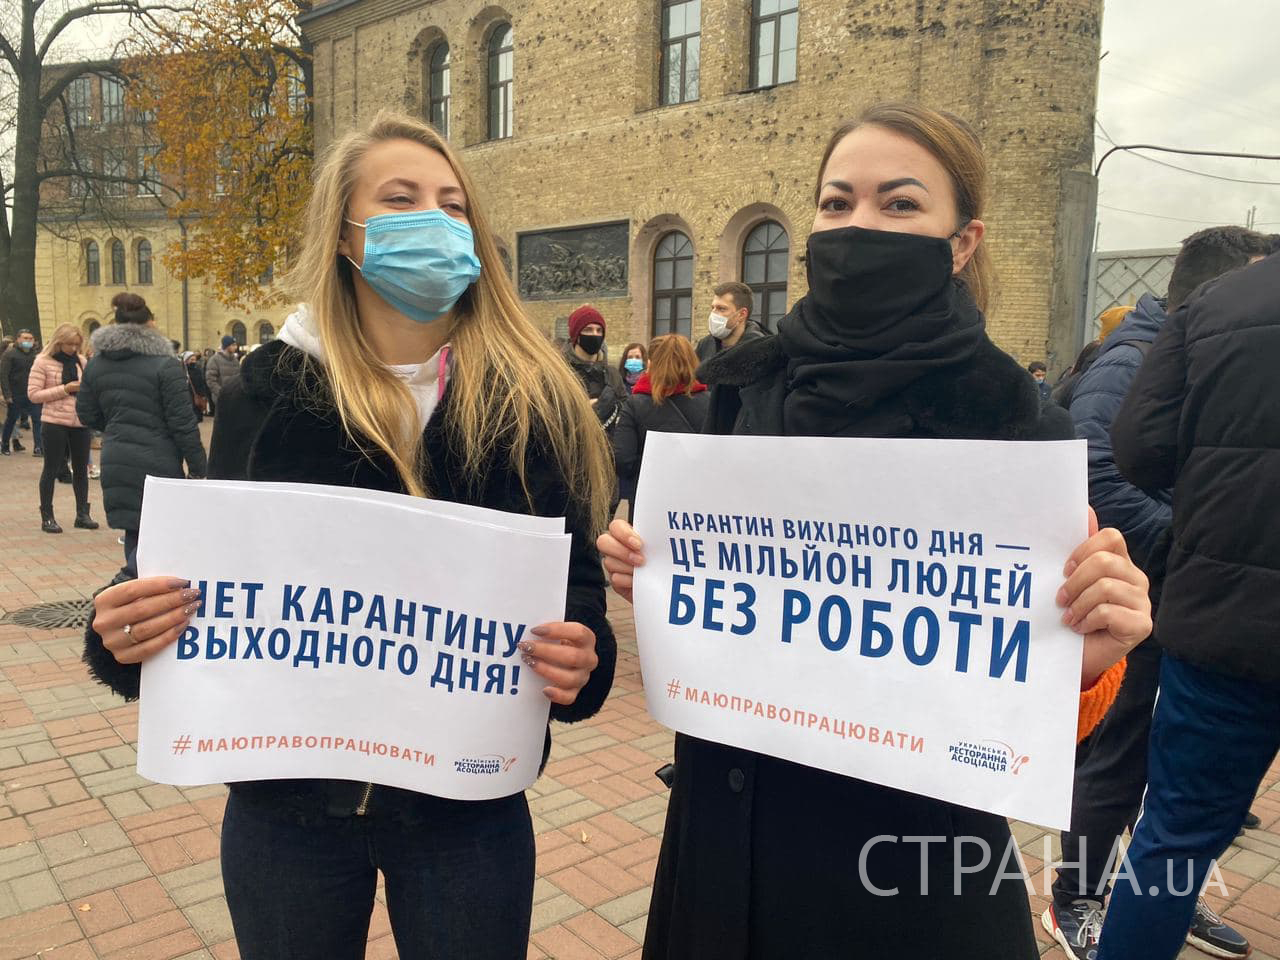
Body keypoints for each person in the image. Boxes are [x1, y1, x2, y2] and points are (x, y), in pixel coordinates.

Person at [596, 102, 1153, 960]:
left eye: (899, 203)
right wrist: (660, 573)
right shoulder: (747, 383)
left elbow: (1025, 698)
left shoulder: (1014, 420)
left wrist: (1084, 658)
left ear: (961, 242)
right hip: (729, 828)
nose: (859, 224)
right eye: (837, 201)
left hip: (901, 868)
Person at [82, 110, 617, 960]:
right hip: (288, 811)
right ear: (344, 232)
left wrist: (581, 654)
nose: (435, 221)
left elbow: (574, 586)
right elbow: (201, 564)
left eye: (453, 206)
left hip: (464, 810)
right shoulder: (267, 389)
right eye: (401, 200)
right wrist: (123, 624)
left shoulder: (528, 401)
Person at [1045, 225, 1271, 960]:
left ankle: (1163, 898)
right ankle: (1077, 899)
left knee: (1161, 786)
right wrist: (1188, 544)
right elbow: (1097, 469)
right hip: (1151, 592)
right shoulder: (1131, 359)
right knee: (1119, 763)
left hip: (1179, 596)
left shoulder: (1193, 339)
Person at [76, 293, 208, 578]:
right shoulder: (165, 364)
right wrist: (199, 467)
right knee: (163, 533)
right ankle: (129, 584)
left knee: (134, 531)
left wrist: (115, 427)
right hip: (159, 459)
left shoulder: (97, 364)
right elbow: (182, 423)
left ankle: (133, 590)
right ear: (150, 323)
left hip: (117, 456)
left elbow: (86, 412)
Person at [612, 335, 710, 523]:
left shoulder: (635, 404)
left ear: (654, 364)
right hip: (697, 505)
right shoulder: (710, 402)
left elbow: (623, 460)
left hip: (648, 503)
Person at [27, 324, 99, 533]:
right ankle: (47, 516)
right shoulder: (42, 362)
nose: (73, 348)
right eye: (69, 344)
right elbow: (34, 394)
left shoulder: (81, 361)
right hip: (54, 422)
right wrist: (65, 389)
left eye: (77, 344)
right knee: (51, 469)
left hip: (80, 422)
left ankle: (82, 514)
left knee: (81, 469)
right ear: (59, 342)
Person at [562, 304, 626, 432]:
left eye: (599, 330)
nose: (595, 334)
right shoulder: (561, 372)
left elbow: (625, 406)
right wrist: (582, 412)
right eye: (588, 330)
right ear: (576, 335)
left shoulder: (612, 374)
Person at [694, 281, 767, 363]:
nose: (713, 314)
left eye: (722, 309)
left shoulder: (760, 349)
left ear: (742, 314)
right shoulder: (705, 346)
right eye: (713, 308)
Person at [2, 329, 43, 456]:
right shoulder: (10, 354)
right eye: (25, 338)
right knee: (11, 420)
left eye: (30, 338)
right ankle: (4, 445)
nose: (28, 341)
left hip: (32, 393)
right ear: (18, 339)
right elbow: (3, 375)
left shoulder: (35, 354)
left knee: (37, 420)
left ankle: (38, 447)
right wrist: (7, 394)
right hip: (15, 394)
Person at [204, 335, 241, 411]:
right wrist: (222, 393)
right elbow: (210, 380)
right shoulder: (214, 360)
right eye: (233, 345)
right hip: (221, 399)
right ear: (227, 346)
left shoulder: (235, 360)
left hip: (235, 398)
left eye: (235, 345)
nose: (236, 347)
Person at [182, 351, 210, 422]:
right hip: (188, 393)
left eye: (194, 360)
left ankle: (198, 417)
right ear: (186, 360)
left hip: (197, 392)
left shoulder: (198, 369)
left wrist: (203, 393)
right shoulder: (183, 371)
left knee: (197, 406)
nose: (194, 361)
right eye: (191, 360)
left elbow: (201, 382)